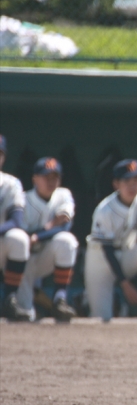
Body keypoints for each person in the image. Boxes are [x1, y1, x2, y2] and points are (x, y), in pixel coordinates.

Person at [83, 159, 137, 322]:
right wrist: (125, 284)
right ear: (116, 184)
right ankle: (86, 299)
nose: (132, 186)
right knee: (101, 318)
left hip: (126, 253)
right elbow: (107, 250)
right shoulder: (104, 210)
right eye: (127, 181)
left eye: (136, 180)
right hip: (100, 260)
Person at [17, 157, 79, 322]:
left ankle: (60, 299)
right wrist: (52, 225)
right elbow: (22, 235)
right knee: (25, 315)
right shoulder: (23, 199)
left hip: (46, 256)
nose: (51, 181)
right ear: (35, 179)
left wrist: (38, 235)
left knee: (67, 240)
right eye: (46, 177)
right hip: (24, 261)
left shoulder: (63, 194)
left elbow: (65, 226)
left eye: (55, 177)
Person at [0, 135, 31, 321]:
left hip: (1, 241)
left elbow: (16, 220)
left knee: (19, 238)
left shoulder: (11, 183)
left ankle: (10, 299)